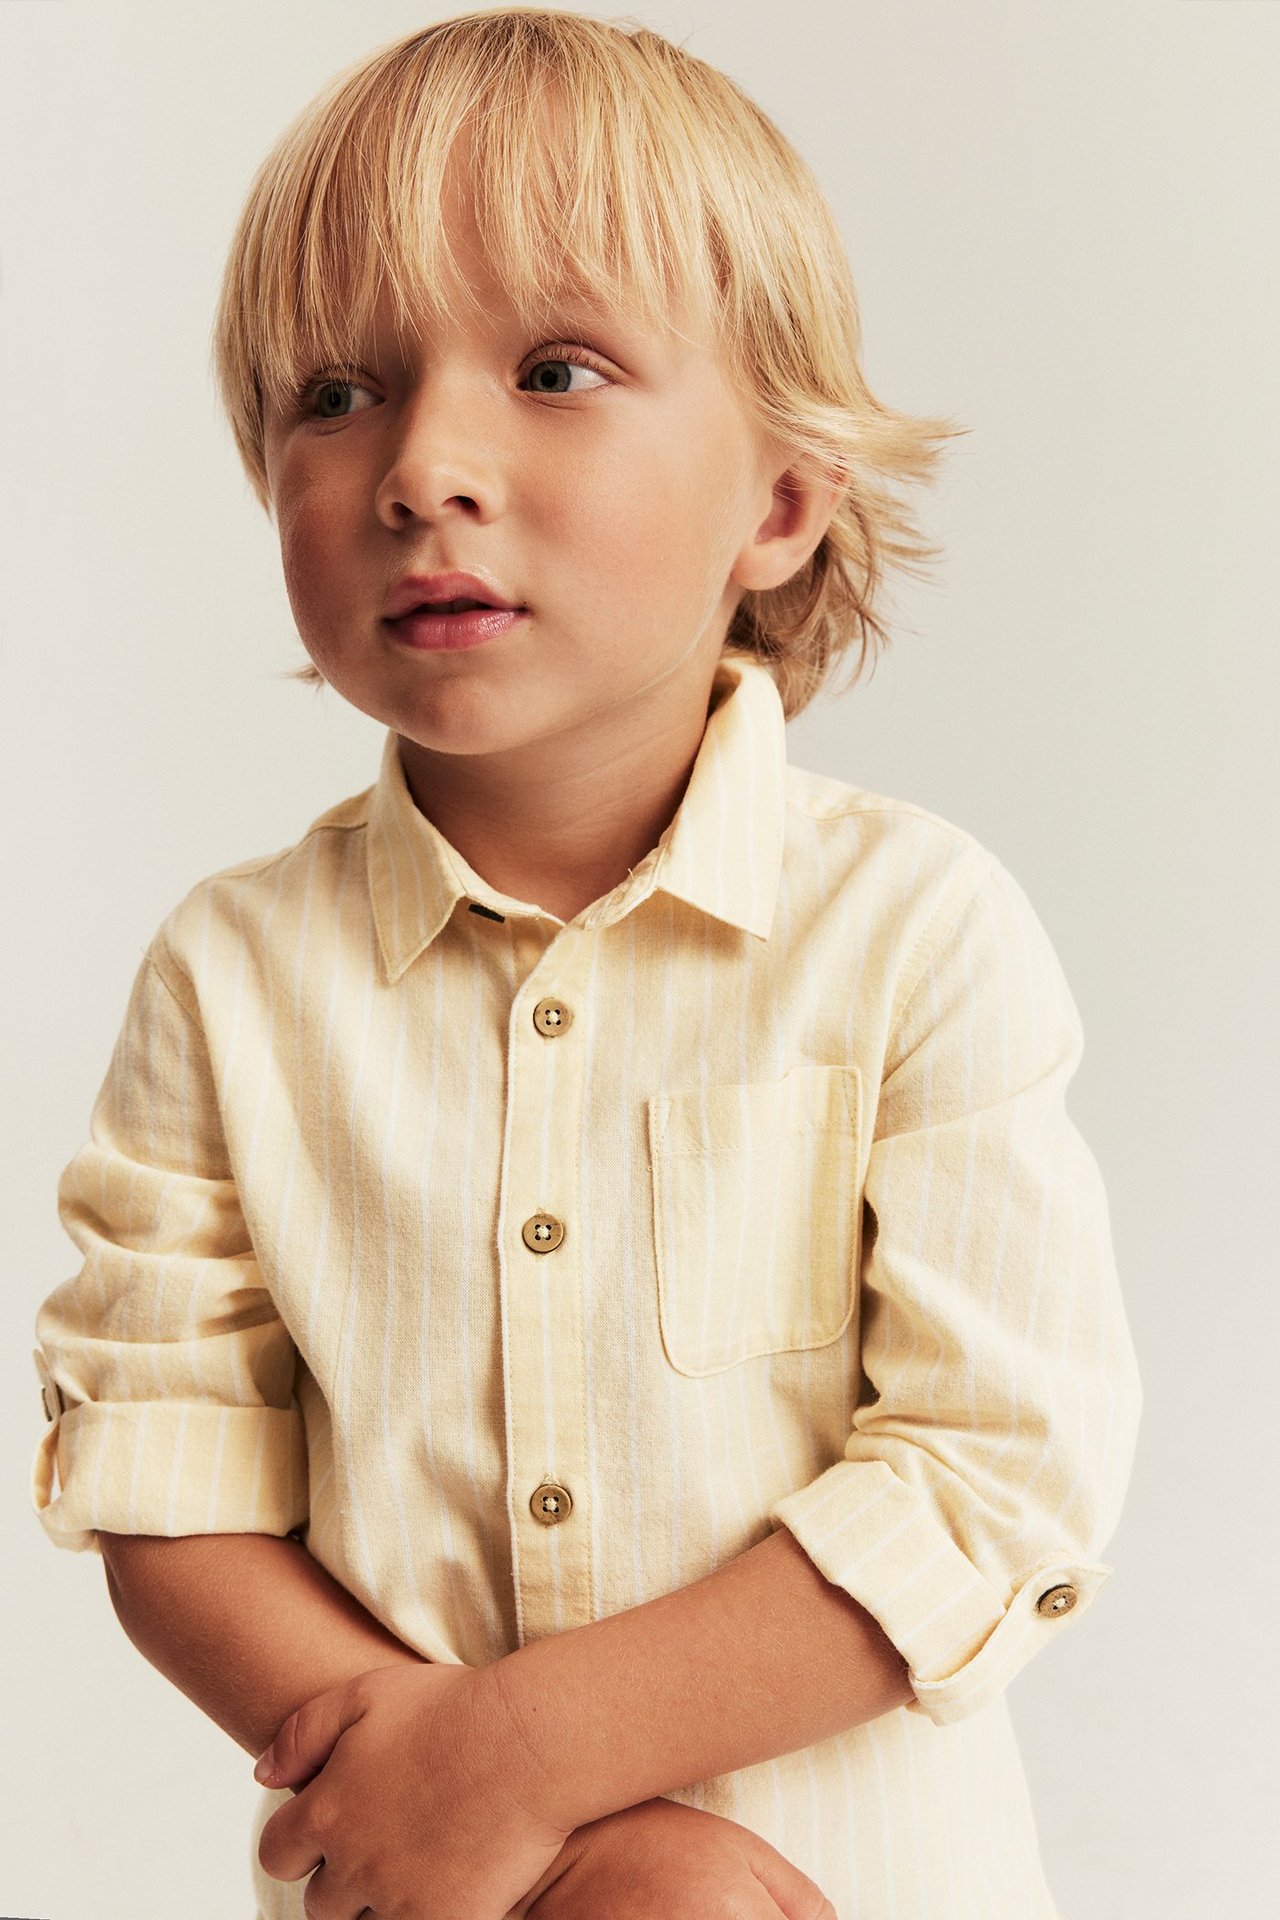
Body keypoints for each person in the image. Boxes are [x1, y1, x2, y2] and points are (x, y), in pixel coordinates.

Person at [29, 9, 1143, 1918]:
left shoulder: (915, 932)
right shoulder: (227, 977)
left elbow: (990, 1475)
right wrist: (450, 1795)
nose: (423, 465)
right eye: (334, 396)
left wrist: (533, 1754)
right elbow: (165, 1471)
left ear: (778, 504)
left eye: (555, 369)